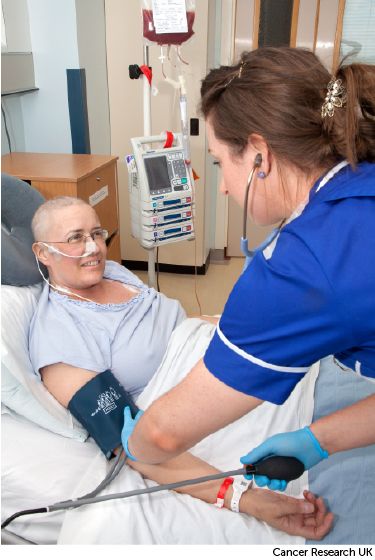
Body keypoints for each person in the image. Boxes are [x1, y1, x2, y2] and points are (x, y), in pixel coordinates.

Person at [122, 47, 375, 502]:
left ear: (259, 154)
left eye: (220, 163)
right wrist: (321, 440)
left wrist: (132, 443)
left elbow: (161, 437)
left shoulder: (302, 269)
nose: (220, 185)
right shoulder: (361, 179)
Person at [29, 195, 332, 540]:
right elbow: (128, 442)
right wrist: (244, 498)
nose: (94, 247)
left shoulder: (112, 272)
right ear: (43, 253)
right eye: (75, 238)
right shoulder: (59, 337)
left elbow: (175, 327)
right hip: (198, 398)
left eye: (97, 233)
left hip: (223, 357)